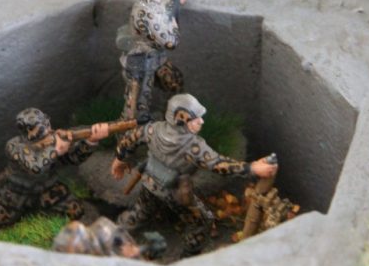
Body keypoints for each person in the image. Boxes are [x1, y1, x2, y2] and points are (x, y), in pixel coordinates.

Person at [110, 93, 277, 256]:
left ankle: (113, 235)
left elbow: (130, 139)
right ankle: (190, 255)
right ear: (181, 119)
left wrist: (119, 160)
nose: (201, 121)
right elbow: (218, 164)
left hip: (149, 182)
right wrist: (252, 168)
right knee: (203, 221)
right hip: (174, 191)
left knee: (140, 211)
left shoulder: (152, 130)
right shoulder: (193, 146)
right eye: (196, 118)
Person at [0, 108, 110, 228]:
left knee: (75, 210)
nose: (47, 130)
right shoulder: (14, 145)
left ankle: (43, 211)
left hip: (48, 188)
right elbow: (35, 168)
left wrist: (90, 142)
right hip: (17, 192)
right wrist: (55, 150)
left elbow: (72, 159)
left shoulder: (54, 138)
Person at [117, 0, 186, 123]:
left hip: (155, 59)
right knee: (136, 112)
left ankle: (169, 120)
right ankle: (128, 141)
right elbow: (171, 42)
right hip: (140, 66)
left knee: (175, 82)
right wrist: (173, 23)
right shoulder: (144, 14)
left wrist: (177, 2)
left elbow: (164, 8)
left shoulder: (152, 3)